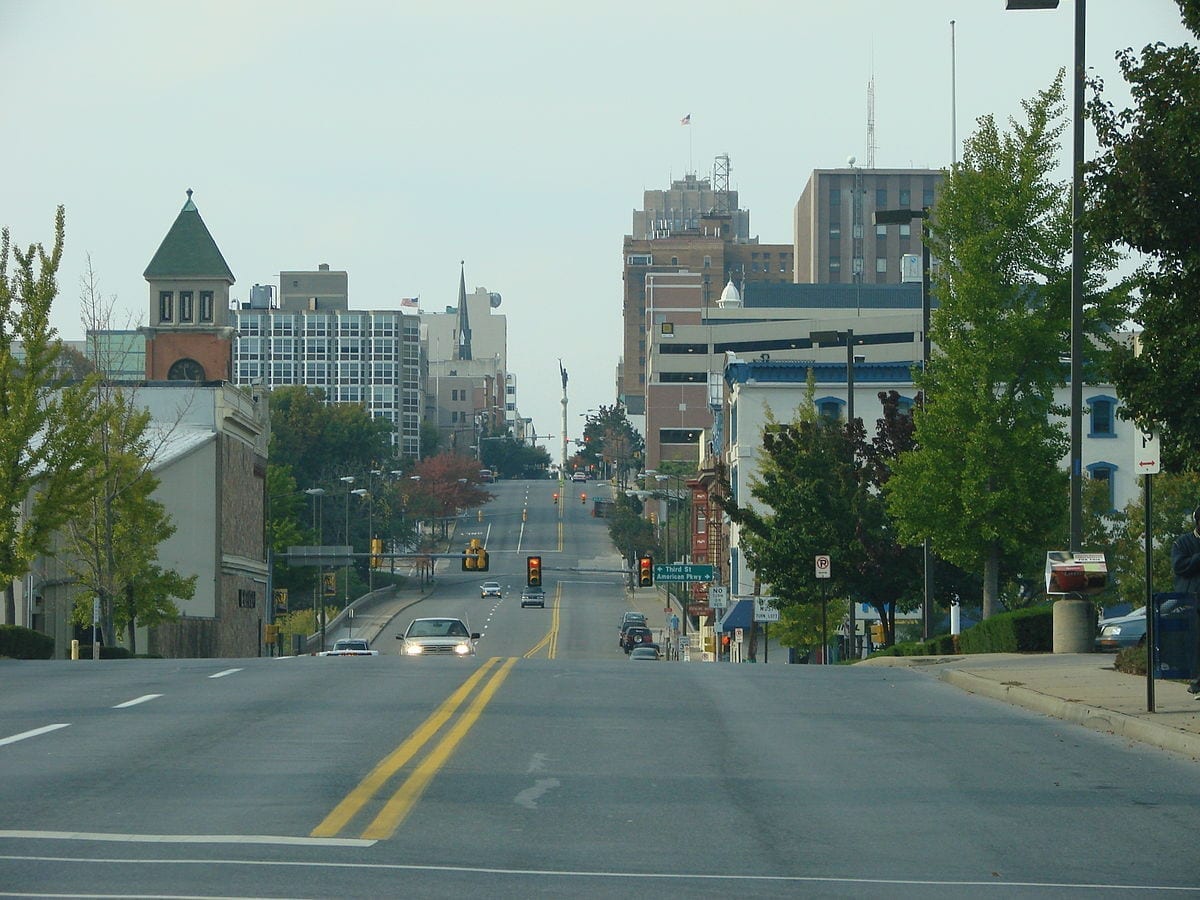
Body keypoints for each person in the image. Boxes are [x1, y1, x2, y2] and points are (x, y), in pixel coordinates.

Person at [1170, 505, 1200, 695]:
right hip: (1192, 602)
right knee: (1195, 643)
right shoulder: (1182, 543)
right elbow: (1179, 566)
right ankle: (1197, 682)